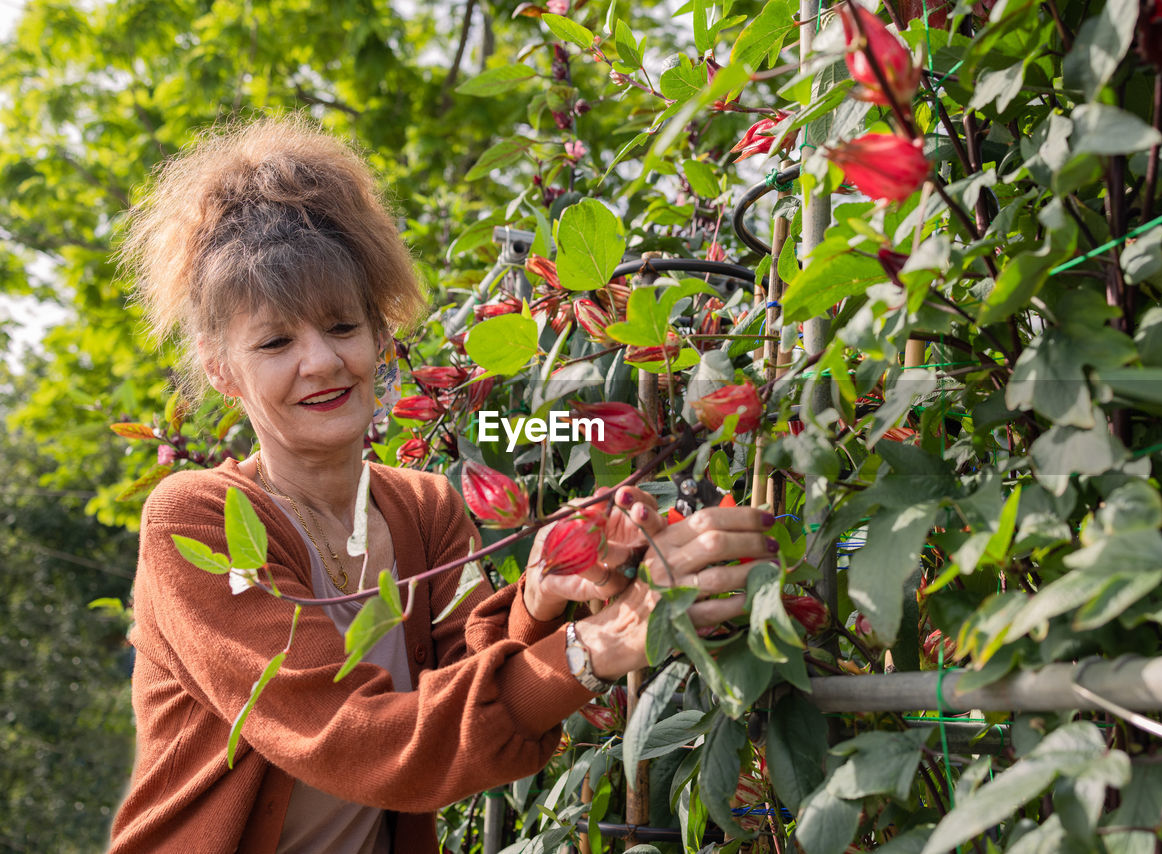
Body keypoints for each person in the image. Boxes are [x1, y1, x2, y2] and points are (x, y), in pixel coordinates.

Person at [108, 116, 775, 853]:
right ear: (219, 367)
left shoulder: (422, 506)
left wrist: (550, 586)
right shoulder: (196, 523)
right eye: (275, 342)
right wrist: (595, 647)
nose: (323, 362)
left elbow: (469, 683)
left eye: (341, 326)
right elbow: (349, 738)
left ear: (378, 335)